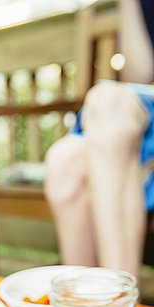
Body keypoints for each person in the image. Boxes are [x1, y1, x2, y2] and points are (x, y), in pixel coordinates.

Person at [44, 0, 154, 279]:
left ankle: (117, 305)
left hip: (134, 121)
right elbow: (141, 73)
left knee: (108, 100)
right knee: (64, 160)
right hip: (141, 120)